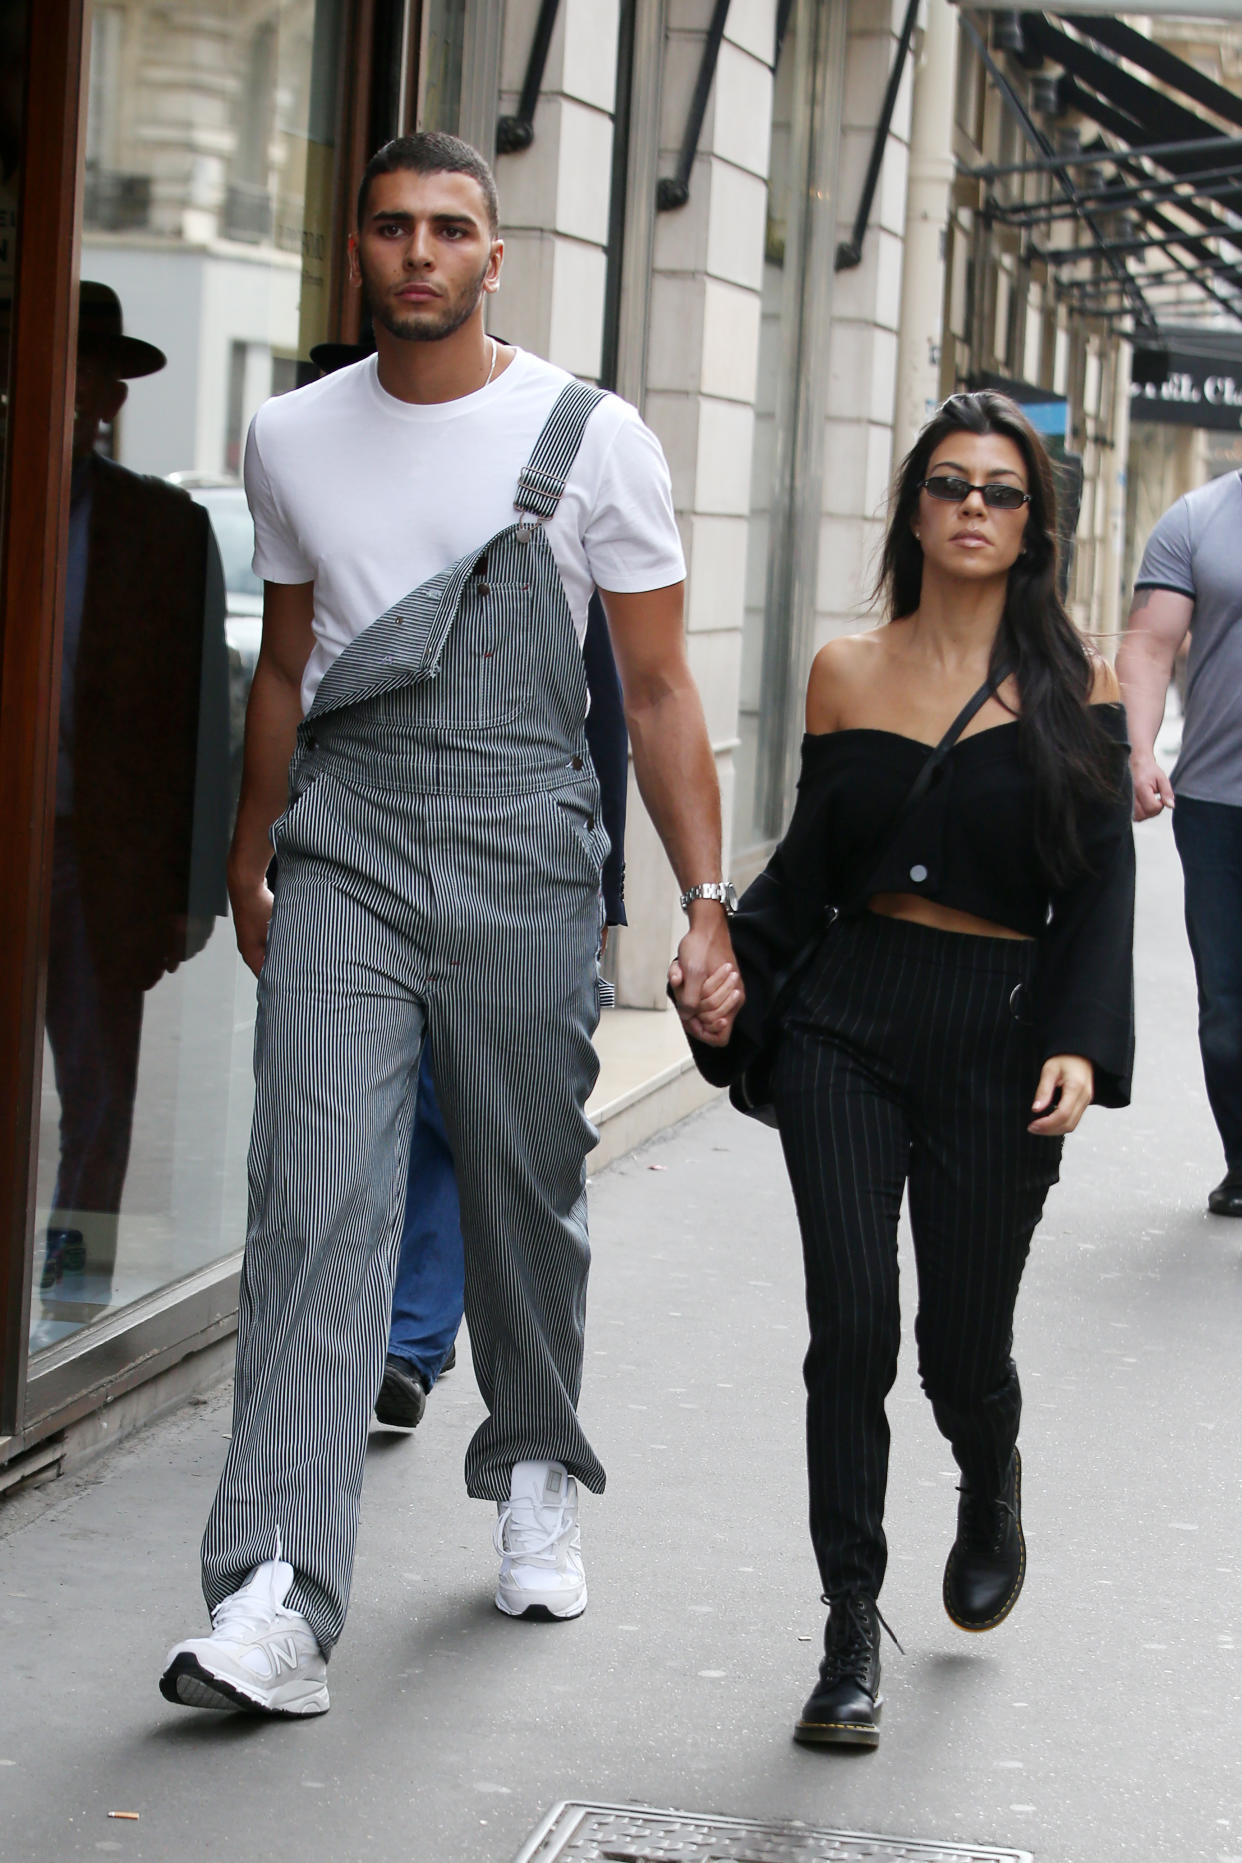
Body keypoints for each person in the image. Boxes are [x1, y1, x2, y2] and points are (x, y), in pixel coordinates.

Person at [160, 131, 738, 1719]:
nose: (420, 251)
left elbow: (659, 684)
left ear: (495, 257)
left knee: (517, 1183)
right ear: (358, 249)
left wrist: (702, 899)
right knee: (315, 1202)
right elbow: (287, 663)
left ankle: (538, 1457)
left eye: (451, 229)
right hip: (340, 840)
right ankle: (274, 1591)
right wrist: (248, 849)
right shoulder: (291, 433)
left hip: (524, 840)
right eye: (393, 226)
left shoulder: (588, 435)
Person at [675, 391, 1134, 1749]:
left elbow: (1099, 892)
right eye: (949, 484)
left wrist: (1078, 1038)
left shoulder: (1079, 691)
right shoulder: (845, 671)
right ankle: (844, 1633)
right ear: (913, 509)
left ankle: (986, 1473)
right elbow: (815, 868)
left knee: (953, 1345)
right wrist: (720, 963)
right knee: (852, 1326)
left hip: (997, 1029)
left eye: (1000, 490)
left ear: (1032, 523)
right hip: (847, 1024)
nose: (974, 508)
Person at [376, 594, 630, 1428]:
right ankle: (406, 1335)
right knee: (405, 1107)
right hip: (376, 848)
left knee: (459, 1113)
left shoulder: (551, 544)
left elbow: (610, 712)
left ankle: (414, 1341)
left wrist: (603, 891)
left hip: (525, 873)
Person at [41, 282, 228, 1302]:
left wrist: (189, 893)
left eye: (86, 371)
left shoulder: (165, 530)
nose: (68, 390)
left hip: (97, 859)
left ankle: (70, 1290)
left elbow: (204, 724)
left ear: (108, 395)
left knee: (99, 1094)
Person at [1117, 477, 1242, 1216]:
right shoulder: (1197, 519)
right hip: (1218, 804)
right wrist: (1137, 753)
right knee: (1227, 1011)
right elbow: (1149, 645)